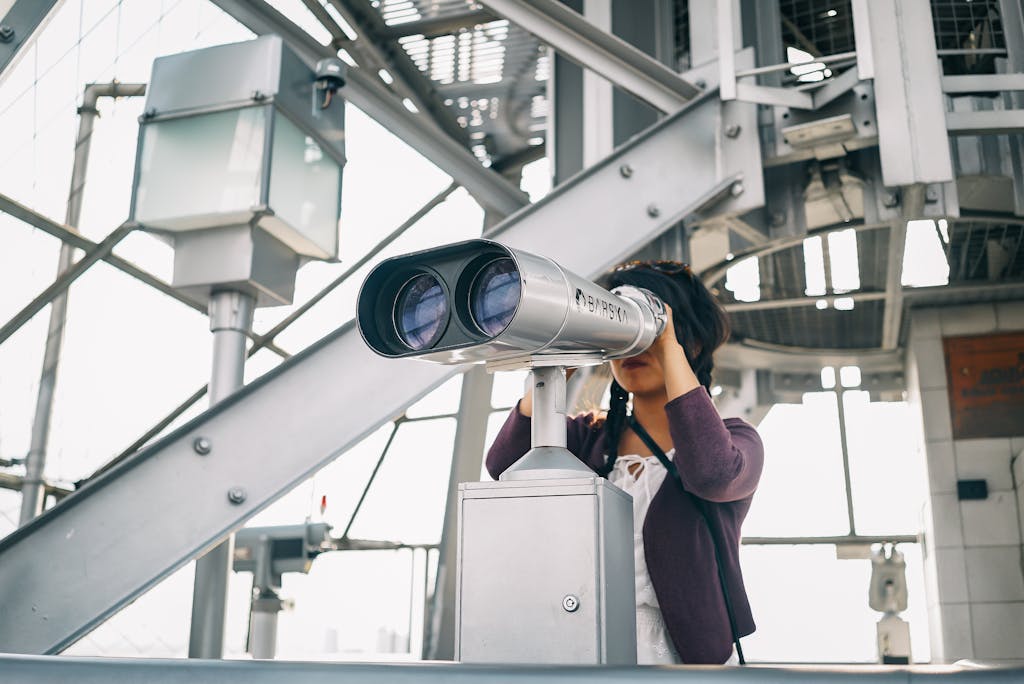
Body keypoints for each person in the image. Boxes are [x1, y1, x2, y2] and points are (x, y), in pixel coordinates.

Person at [485, 260, 764, 665]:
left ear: (694, 344)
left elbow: (712, 474)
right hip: (581, 645)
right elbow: (505, 466)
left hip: (684, 660)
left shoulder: (738, 441)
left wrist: (667, 341)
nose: (634, 347)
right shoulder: (589, 439)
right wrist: (562, 351)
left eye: (647, 332)